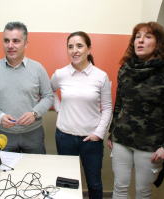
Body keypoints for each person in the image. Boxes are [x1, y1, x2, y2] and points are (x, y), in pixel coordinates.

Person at [108, 22, 164, 199]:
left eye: (147, 37)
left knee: (142, 192)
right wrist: (111, 132)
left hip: (150, 146)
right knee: (119, 187)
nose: (140, 41)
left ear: (158, 42)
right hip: (121, 139)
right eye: (137, 37)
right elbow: (119, 104)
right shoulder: (125, 69)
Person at [51, 31, 112, 199]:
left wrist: (98, 134)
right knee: (66, 181)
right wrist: (59, 108)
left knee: (94, 183)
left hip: (91, 140)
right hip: (64, 137)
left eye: (79, 46)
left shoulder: (101, 76)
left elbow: (107, 108)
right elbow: (49, 91)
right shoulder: (60, 74)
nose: (74, 50)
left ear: (89, 49)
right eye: (70, 47)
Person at [0, 21, 53, 154]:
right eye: (6, 41)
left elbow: (48, 96)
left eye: (16, 41)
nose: (10, 45)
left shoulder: (37, 68)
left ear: (25, 43)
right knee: (3, 173)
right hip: (3, 135)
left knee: (36, 171)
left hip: (33, 135)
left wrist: (35, 113)